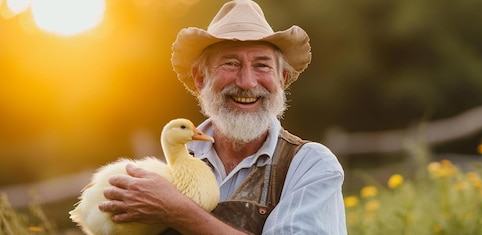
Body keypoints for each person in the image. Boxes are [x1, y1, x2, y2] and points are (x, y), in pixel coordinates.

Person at [97, 0, 347, 234]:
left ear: (281, 80)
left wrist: (179, 212)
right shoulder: (169, 170)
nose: (248, 83)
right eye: (231, 64)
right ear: (200, 78)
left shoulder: (311, 166)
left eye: (262, 65)